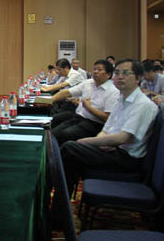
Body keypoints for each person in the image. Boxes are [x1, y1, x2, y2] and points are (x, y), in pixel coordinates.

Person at [59, 59, 158, 192]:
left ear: (138, 78)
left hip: (127, 158)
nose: (120, 77)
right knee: (71, 154)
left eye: (126, 73)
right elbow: (106, 129)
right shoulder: (121, 99)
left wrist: (86, 142)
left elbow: (123, 138)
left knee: (70, 148)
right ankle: (63, 196)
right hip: (112, 149)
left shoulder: (143, 104)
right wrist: (99, 142)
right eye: (117, 73)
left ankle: (61, 197)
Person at [49, 60, 120, 144]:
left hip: (94, 124)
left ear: (108, 74)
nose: (95, 72)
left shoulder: (113, 91)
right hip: (78, 118)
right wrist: (49, 101)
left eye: (99, 70)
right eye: (94, 69)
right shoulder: (88, 83)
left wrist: (89, 108)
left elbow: (107, 118)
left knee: (64, 135)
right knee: (53, 133)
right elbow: (67, 93)